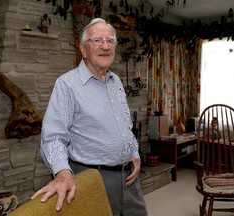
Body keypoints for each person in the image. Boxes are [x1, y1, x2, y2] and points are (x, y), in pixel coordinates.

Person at [31, 17, 148, 216]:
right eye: (97, 40)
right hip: (93, 179)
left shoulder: (116, 81)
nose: (105, 46)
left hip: (129, 179)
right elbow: (53, 137)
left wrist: (134, 154)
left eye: (110, 41)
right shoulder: (67, 84)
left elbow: (124, 126)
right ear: (83, 49)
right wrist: (62, 172)